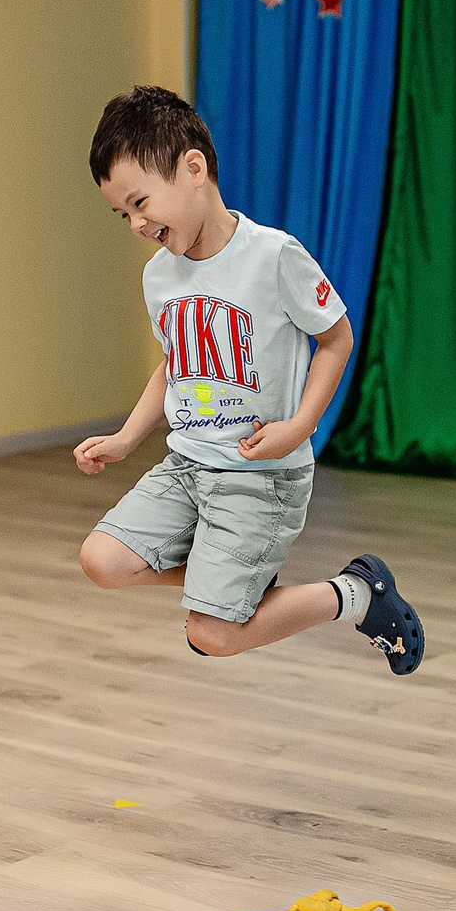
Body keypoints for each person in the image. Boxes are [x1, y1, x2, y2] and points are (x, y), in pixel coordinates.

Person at [75, 86, 424, 673]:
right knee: (101, 560)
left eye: (140, 202)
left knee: (212, 634)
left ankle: (357, 595)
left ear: (194, 169)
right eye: (122, 214)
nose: (135, 224)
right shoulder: (159, 276)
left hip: (260, 478)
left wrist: (301, 426)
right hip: (187, 467)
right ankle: (227, 577)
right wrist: (126, 438)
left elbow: (336, 338)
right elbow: (175, 363)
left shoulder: (274, 256)